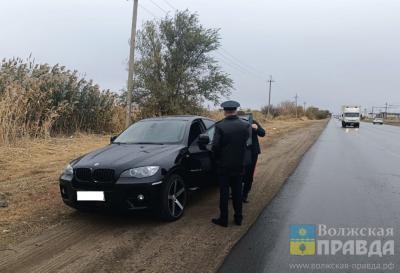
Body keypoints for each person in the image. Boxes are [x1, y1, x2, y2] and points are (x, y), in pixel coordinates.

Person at [211, 100, 250, 227]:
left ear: (224, 111)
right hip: (239, 165)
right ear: (236, 110)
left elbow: (215, 146)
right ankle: (238, 218)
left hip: (224, 166)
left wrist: (216, 160)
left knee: (224, 193)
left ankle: (223, 219)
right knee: (238, 192)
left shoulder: (220, 126)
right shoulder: (245, 125)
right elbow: (246, 143)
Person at [242, 118, 265, 203]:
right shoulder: (235, 123)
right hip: (239, 153)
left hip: (252, 153)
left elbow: (262, 133)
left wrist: (256, 128)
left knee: (249, 174)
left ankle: (244, 195)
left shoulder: (253, 122)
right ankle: (235, 193)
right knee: (238, 174)